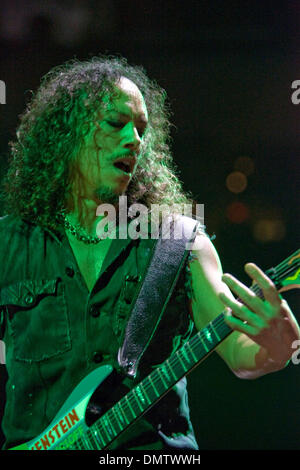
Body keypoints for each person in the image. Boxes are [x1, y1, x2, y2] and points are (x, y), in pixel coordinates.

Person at [0, 56, 299, 451]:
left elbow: (240, 353)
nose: (134, 141)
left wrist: (280, 346)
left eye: (141, 131)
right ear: (67, 133)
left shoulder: (180, 244)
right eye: (115, 124)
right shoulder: (10, 242)